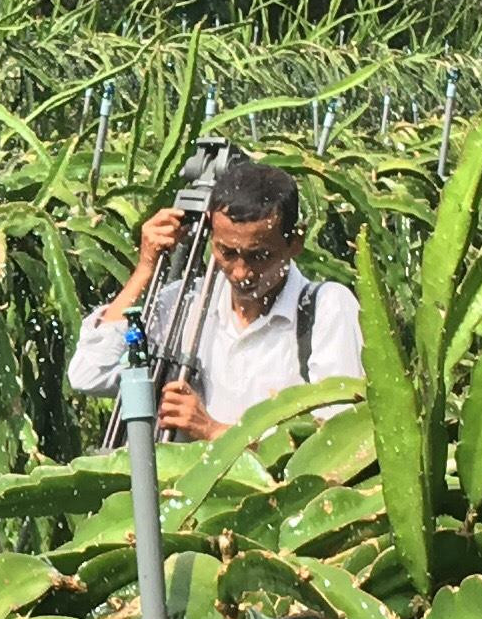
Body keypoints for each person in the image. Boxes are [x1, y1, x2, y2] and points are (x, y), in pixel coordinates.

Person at [64, 153, 365, 442]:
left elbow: (337, 439)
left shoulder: (324, 309)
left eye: (259, 256)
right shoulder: (186, 304)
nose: (241, 272)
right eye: (227, 252)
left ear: (295, 243)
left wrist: (214, 431)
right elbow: (90, 373)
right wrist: (145, 268)